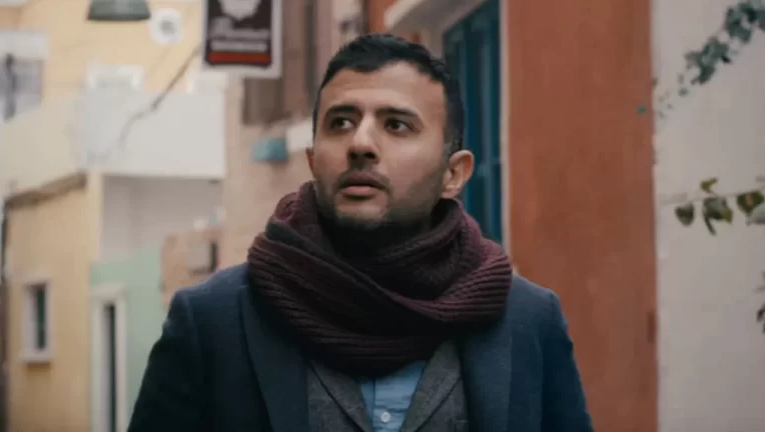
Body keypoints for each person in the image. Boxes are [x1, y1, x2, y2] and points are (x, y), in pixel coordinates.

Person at [128, 33, 593, 432]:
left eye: (396, 125)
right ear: (314, 160)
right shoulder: (213, 322)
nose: (361, 144)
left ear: (453, 174)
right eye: (341, 123)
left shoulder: (527, 320)